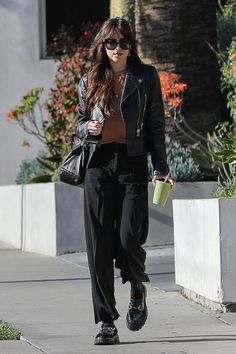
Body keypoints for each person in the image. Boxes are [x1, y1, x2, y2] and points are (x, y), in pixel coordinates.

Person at [76, 17, 175, 345]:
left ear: (132, 46)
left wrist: (160, 166)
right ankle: (106, 322)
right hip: (98, 167)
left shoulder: (145, 77)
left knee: (130, 237)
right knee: (98, 249)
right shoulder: (90, 78)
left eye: (124, 43)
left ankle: (136, 288)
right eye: (111, 43)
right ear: (102, 46)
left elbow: (156, 124)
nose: (118, 49)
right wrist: (86, 129)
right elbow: (77, 122)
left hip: (132, 164)